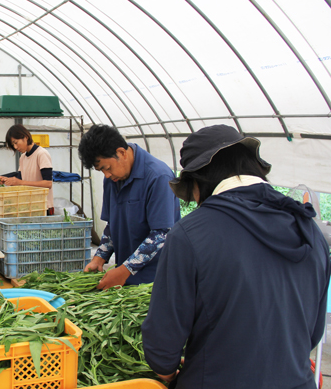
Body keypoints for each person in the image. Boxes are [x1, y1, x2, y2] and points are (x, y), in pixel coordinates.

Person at [141, 125, 331, 388]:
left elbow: (163, 343)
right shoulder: (309, 229)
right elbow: (312, 333)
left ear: (198, 181)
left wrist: (170, 374)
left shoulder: (190, 234)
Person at [79, 125, 180, 287]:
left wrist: (125, 270)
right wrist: (99, 258)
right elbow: (113, 225)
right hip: (124, 277)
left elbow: (161, 234)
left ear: (121, 153)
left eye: (107, 168)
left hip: (155, 281)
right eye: (101, 171)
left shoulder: (158, 177)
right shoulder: (112, 180)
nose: (107, 175)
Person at [0, 124, 54, 215]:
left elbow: (48, 183)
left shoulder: (41, 154)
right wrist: (6, 180)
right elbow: (19, 180)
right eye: (13, 145)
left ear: (26, 137)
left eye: (16, 142)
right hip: (28, 206)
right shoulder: (23, 158)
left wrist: (19, 182)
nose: (15, 147)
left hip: (43, 207)